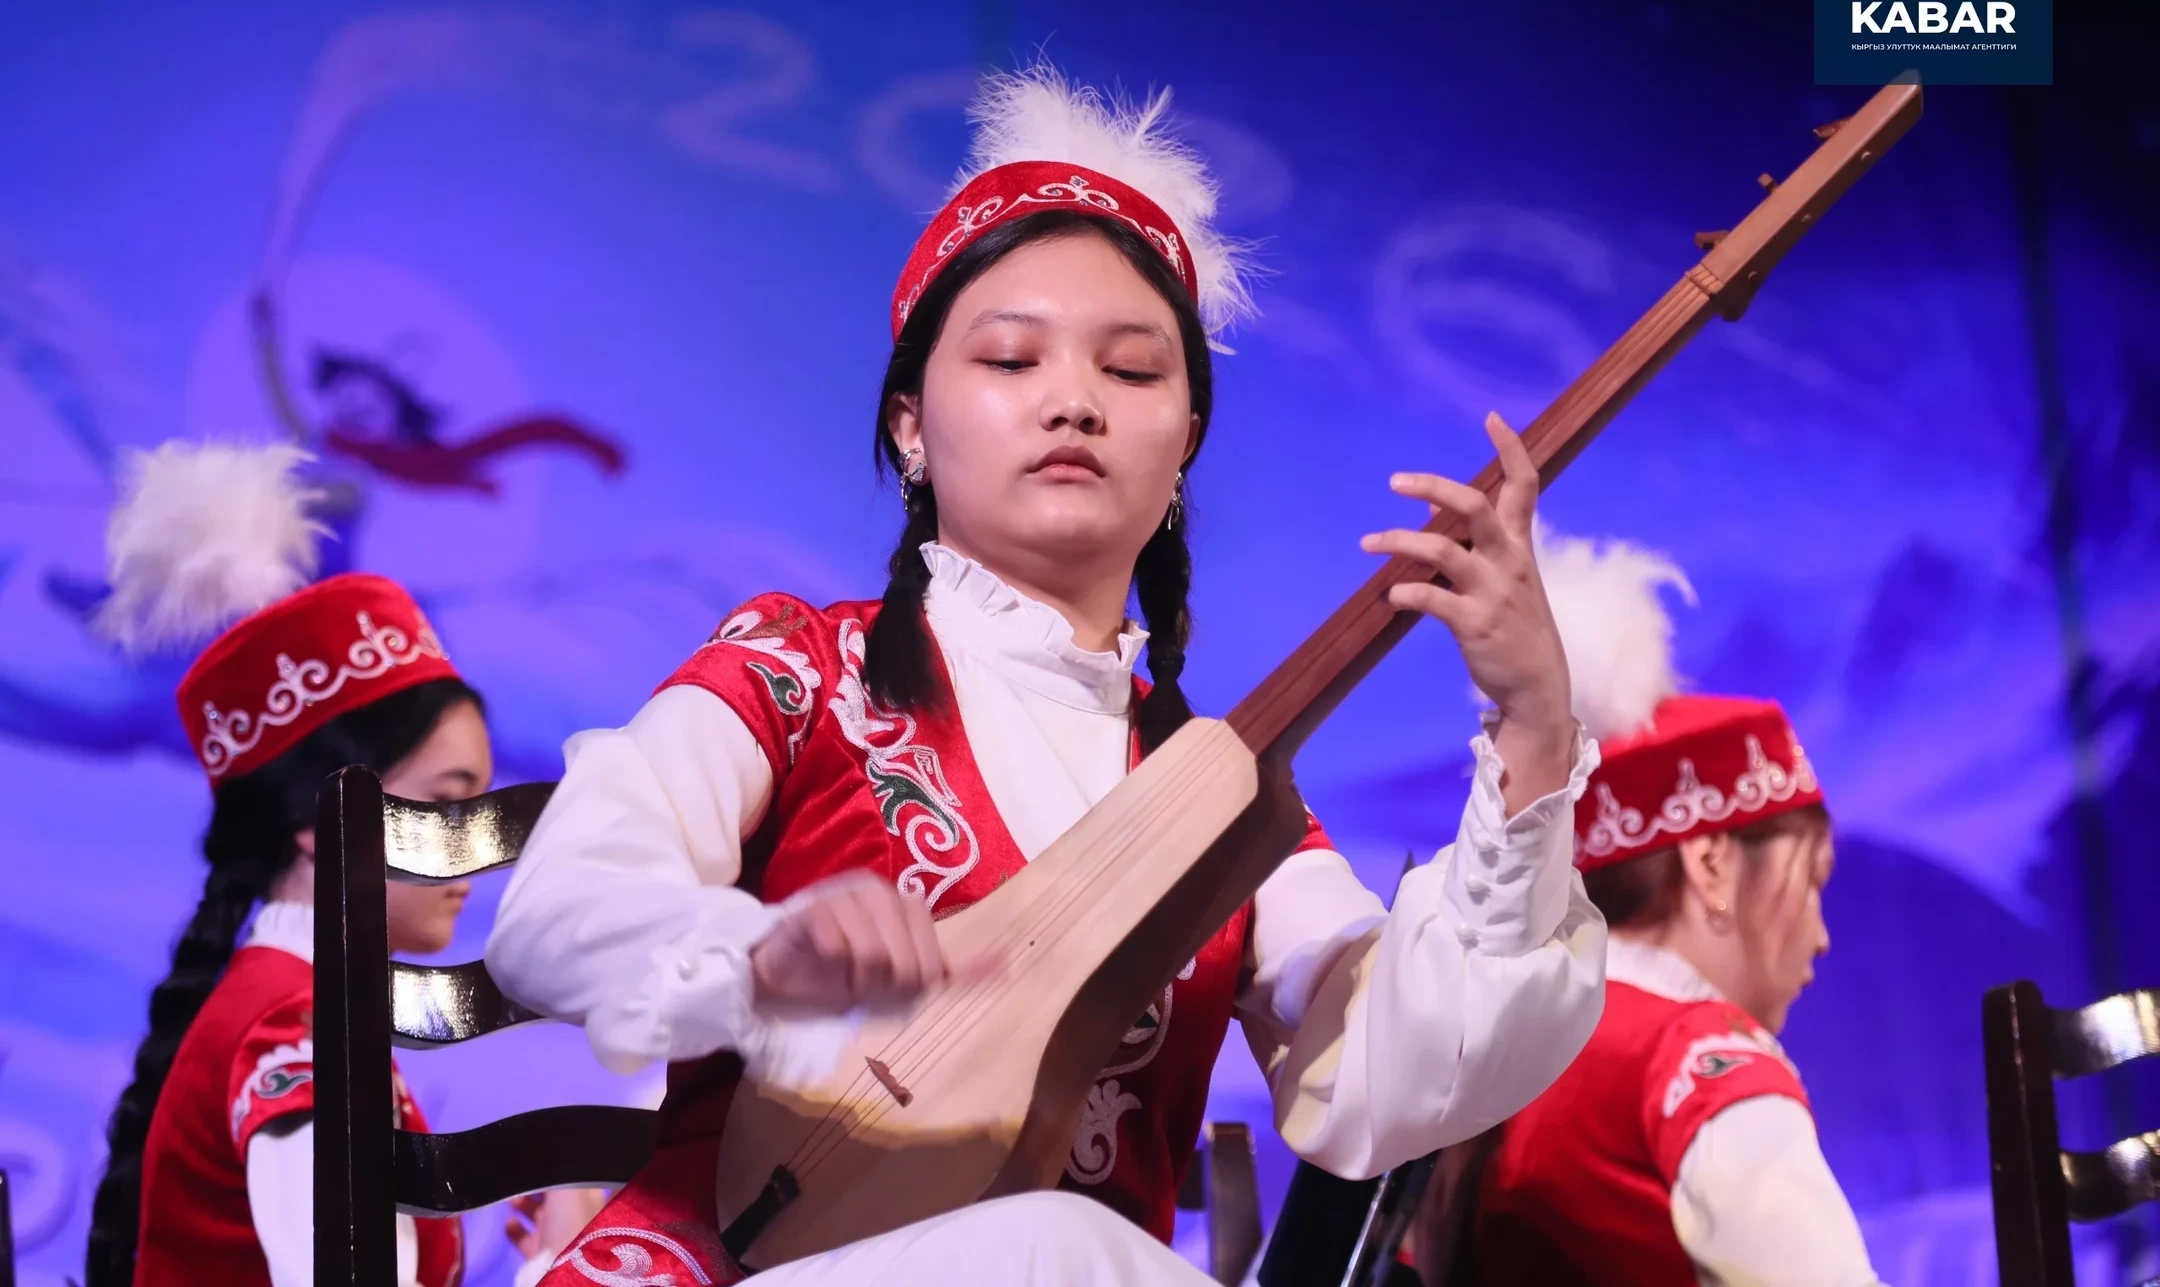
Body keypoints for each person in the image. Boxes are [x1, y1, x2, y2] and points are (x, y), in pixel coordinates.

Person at [485, 65, 1610, 1286]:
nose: (1073, 401)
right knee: (1059, 1248)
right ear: (911, 426)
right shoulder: (799, 669)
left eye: (1131, 372)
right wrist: (763, 956)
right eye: (1013, 359)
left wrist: (1533, 725)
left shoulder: (1220, 805)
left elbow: (1401, 1083)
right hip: (735, 1269)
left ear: (1184, 447)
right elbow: (555, 916)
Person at [80, 441, 597, 1287]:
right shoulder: (293, 1028)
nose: (475, 847)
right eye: (445, 804)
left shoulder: (298, 1009)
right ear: (323, 825)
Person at [1462, 528, 1882, 1286]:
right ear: (1712, 861)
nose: (1821, 935)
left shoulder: (1509, 1052)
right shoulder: (1695, 1056)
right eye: (1810, 880)